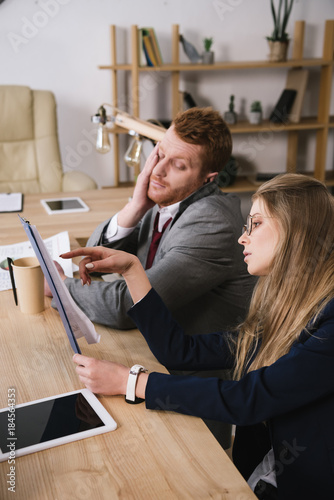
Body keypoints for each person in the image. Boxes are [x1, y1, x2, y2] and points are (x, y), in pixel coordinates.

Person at [61, 173, 334, 499]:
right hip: (260, 472)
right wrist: (133, 271)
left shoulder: (328, 321)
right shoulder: (288, 307)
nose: (242, 239)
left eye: (256, 224)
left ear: (296, 233)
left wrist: (130, 382)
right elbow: (181, 351)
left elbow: (248, 399)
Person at [51, 107, 256, 449]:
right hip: (148, 358)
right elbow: (93, 256)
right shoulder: (166, 200)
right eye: (159, 153)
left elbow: (125, 305)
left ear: (208, 177)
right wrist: (134, 206)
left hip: (190, 390)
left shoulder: (211, 222)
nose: (157, 171)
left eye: (178, 165)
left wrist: (56, 289)